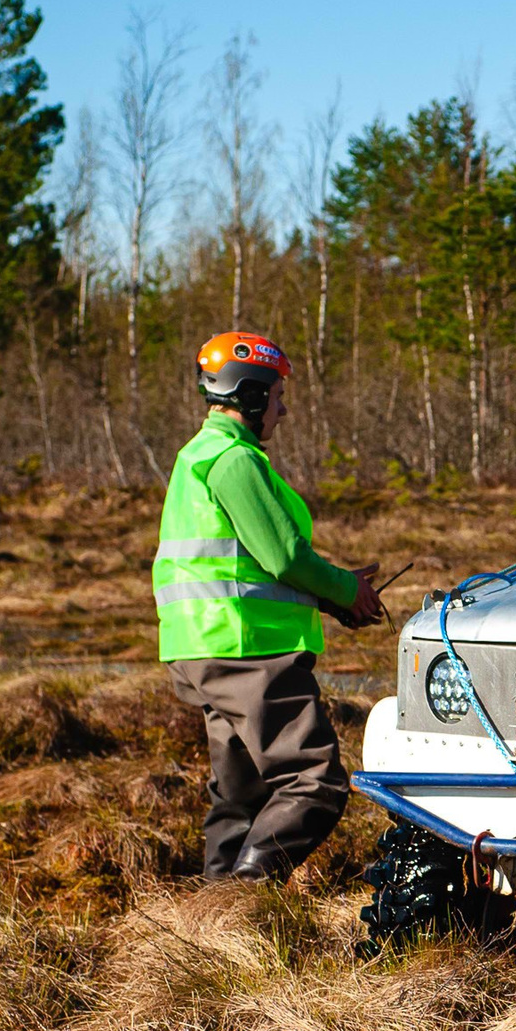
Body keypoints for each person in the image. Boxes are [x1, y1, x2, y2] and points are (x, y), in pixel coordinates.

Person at [156, 332, 385, 882]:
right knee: (315, 781)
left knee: (241, 795)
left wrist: (333, 595)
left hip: (204, 646)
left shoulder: (198, 456)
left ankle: (212, 926)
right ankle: (246, 896)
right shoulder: (235, 460)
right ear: (253, 396)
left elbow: (253, 565)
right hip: (248, 648)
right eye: (278, 398)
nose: (282, 412)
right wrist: (345, 591)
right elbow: (283, 556)